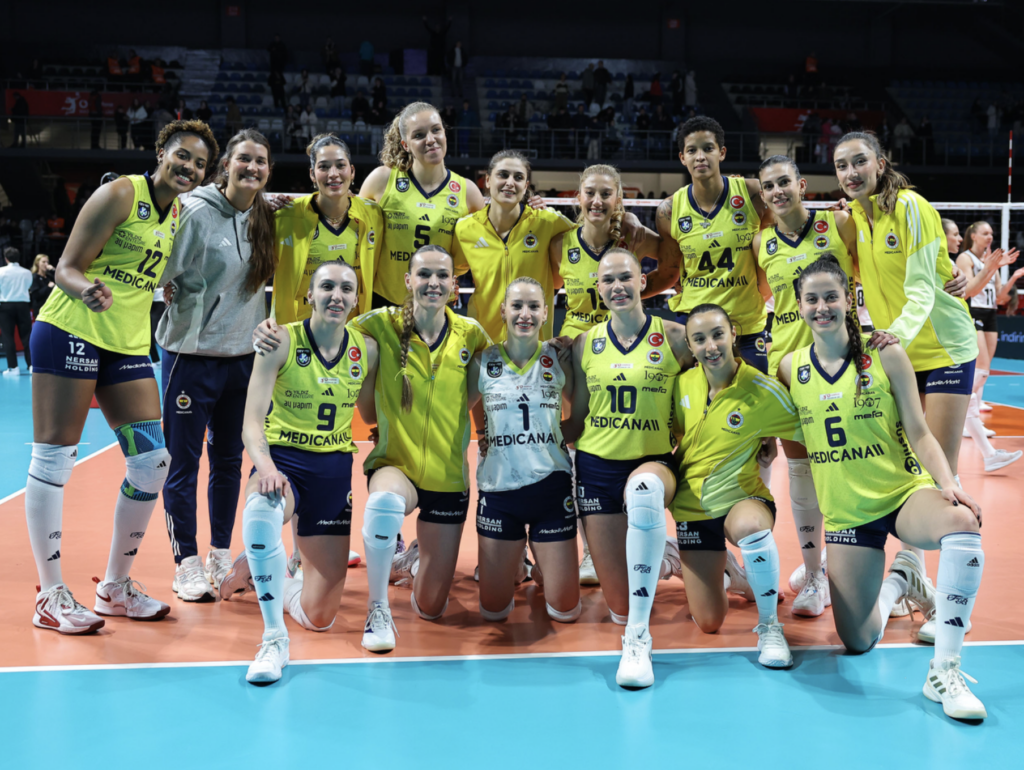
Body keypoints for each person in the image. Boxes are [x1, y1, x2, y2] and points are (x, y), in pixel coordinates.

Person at [778, 254, 988, 721]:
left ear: (848, 299)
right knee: (858, 640)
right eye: (811, 299)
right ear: (799, 305)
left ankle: (945, 670)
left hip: (901, 494)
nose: (822, 307)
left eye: (831, 297)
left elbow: (919, 431)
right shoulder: (791, 369)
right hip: (847, 513)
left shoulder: (885, 354)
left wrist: (948, 483)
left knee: (962, 523)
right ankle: (900, 582)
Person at [27, 120, 216, 633]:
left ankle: (114, 587)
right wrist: (86, 289)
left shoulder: (178, 214)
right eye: (182, 155)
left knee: (152, 464)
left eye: (199, 163)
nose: (189, 167)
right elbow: (66, 266)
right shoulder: (119, 194)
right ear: (160, 152)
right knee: (54, 459)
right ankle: (50, 595)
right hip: (71, 330)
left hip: (127, 344)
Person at [224, 260, 378, 683]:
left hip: (333, 474)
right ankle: (273, 638)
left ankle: (265, 573)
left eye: (346, 288)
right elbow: (251, 422)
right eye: (326, 286)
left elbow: (370, 414)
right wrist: (266, 467)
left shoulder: (366, 350)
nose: (336, 295)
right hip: (285, 464)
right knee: (260, 513)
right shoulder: (280, 340)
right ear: (309, 294)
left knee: (319, 618)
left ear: (356, 299)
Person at [561, 249, 692, 682]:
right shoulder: (585, 343)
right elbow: (579, 418)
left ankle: (638, 638)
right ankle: (664, 554)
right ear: (598, 288)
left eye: (625, 278)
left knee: (643, 493)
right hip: (597, 469)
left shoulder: (675, 337)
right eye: (608, 280)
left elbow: (712, 389)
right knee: (619, 605)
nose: (617, 287)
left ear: (642, 282)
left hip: (652, 463)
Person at [353, 245, 491, 652]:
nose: (433, 282)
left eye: (442, 276)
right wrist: (276, 334)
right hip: (396, 463)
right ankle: (377, 608)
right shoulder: (380, 324)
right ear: (408, 280)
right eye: (424, 274)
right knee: (384, 504)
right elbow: (325, 330)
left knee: (431, 608)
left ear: (454, 285)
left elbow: (504, 372)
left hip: (448, 478)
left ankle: (411, 560)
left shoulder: (470, 333)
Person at [157, 129, 275, 602]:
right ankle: (185, 562)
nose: (252, 168)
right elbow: (159, 269)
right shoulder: (195, 211)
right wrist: (168, 289)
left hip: (243, 360)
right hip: (191, 357)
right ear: (226, 165)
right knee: (183, 463)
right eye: (244, 159)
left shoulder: (265, 215)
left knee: (228, 461)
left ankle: (219, 553)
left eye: (261, 161)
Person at [663, 303, 804, 683]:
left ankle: (770, 626)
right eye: (700, 339)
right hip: (692, 510)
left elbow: (807, 429)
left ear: (732, 335)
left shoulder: (762, 389)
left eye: (717, 335)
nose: (710, 346)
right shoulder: (681, 385)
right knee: (709, 621)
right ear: (690, 346)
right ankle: (726, 571)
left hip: (742, 500)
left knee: (750, 529)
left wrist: (770, 436)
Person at [833, 132, 980, 492]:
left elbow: (921, 287)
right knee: (908, 464)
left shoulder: (910, 206)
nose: (851, 172)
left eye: (860, 161)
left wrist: (895, 333)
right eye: (841, 166)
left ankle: (963, 530)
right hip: (900, 352)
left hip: (943, 348)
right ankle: (919, 536)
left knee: (942, 469)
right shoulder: (852, 218)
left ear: (880, 165)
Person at [753, 155, 857, 616]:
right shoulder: (761, 243)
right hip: (787, 368)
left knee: (842, 465)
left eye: (784, 182)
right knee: (800, 471)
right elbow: (763, 297)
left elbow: (868, 274)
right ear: (762, 194)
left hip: (840, 362)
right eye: (768, 186)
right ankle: (815, 573)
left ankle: (840, 562)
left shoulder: (839, 223)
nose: (777, 191)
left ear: (801, 184)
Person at [469, 277, 579, 623]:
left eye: (533, 306)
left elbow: (581, 417)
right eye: (517, 306)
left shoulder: (558, 358)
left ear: (546, 313)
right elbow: (459, 409)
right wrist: (483, 431)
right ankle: (517, 559)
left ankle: (538, 559)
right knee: (493, 612)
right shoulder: (483, 361)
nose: (525, 314)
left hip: (551, 490)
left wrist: (549, 439)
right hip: (499, 493)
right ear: (503, 310)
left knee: (565, 611)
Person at [656, 116, 770, 374]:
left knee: (757, 396)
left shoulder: (754, 193)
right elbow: (670, 273)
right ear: (682, 157)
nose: (700, 157)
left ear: (722, 152)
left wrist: (829, 214)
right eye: (691, 150)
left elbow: (781, 240)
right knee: (689, 396)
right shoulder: (669, 210)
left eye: (708, 148)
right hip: (694, 324)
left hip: (746, 325)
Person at [359, 102, 484, 308]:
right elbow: (353, 232)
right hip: (384, 305)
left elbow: (490, 245)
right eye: (419, 135)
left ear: (445, 133)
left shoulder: (468, 192)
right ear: (405, 144)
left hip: (437, 307)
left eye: (436, 130)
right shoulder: (382, 180)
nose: (431, 139)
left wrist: (531, 206)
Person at [450, 151, 575, 342]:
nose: (510, 182)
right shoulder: (465, 228)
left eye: (518, 177)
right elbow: (453, 271)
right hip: (483, 343)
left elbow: (590, 239)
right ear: (488, 180)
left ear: (525, 186)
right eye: (503, 175)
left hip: (534, 345)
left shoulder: (547, 222)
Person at [272, 134, 382, 325]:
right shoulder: (285, 216)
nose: (333, 173)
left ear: (352, 171)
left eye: (340, 165)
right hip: (298, 333)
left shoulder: (373, 215)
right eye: (323, 167)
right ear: (312, 174)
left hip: (352, 332)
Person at [954, 220, 1023, 471]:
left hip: (991, 313)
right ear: (972, 235)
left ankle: (969, 416)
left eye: (992, 233)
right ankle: (963, 413)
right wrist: (989, 268)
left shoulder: (991, 261)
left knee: (984, 371)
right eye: (985, 233)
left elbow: (1002, 297)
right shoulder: (966, 258)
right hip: (973, 312)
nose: (990, 236)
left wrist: (1012, 275)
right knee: (980, 369)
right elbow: (970, 290)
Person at [0, 246, 34, 375]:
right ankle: (31, 365)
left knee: (8, 337)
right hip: (23, 305)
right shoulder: (27, 272)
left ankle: (13, 368)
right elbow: (28, 286)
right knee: (27, 336)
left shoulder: (1, 272)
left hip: (6, 305)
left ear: (6, 258)